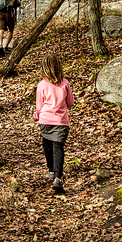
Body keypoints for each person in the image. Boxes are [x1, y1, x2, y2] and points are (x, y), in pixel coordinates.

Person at [32, 53, 75, 193]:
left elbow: (39, 106)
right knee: (58, 148)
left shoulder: (41, 85)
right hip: (62, 122)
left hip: (45, 121)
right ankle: (57, 177)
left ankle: (51, 171)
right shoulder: (65, 83)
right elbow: (70, 103)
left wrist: (37, 114)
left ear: (44, 69)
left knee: (47, 146)